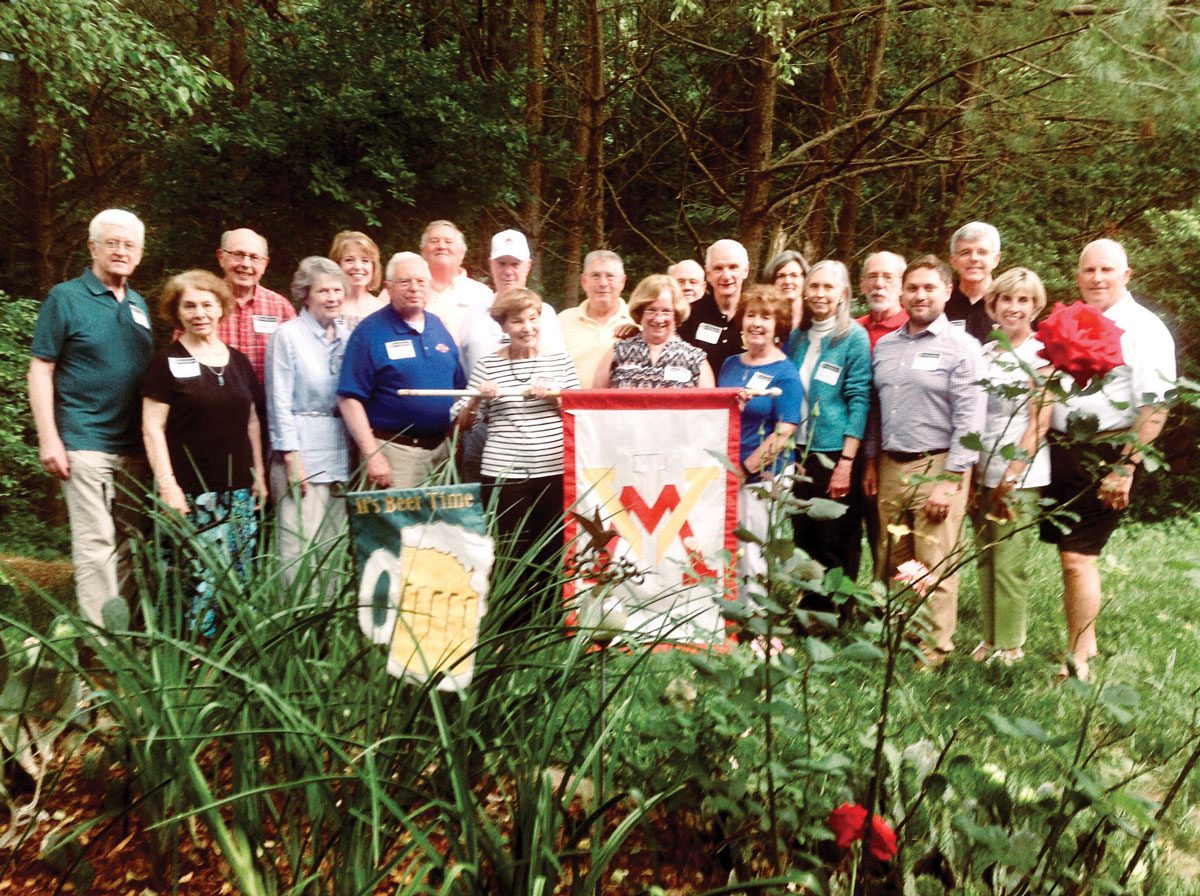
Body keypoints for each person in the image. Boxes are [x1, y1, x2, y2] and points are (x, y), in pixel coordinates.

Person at [1039, 239, 1175, 681]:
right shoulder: (1071, 319)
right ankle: (1087, 642)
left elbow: (1155, 406)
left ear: (1126, 275)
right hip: (1057, 449)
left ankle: (1077, 658)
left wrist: (1125, 466)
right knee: (1067, 552)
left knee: (1079, 556)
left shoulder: (1144, 328)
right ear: (1078, 276)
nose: (1097, 278)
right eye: (1089, 270)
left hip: (1106, 453)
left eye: (1107, 270)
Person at [29, 209, 153, 631]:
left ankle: (126, 639)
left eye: (129, 245)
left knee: (129, 546)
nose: (121, 252)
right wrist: (50, 439)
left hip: (133, 448)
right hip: (83, 441)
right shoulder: (65, 298)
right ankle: (101, 648)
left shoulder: (138, 304)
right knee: (95, 543)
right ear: (93, 247)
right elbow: (41, 369)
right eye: (112, 243)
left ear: (139, 253)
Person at [867, 255, 986, 667]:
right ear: (902, 292)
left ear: (947, 292)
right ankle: (900, 635)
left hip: (938, 465)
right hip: (891, 465)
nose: (920, 295)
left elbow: (971, 422)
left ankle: (934, 649)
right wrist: (870, 461)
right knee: (894, 557)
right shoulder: (885, 346)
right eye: (913, 287)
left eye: (929, 287)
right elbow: (876, 411)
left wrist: (950, 480)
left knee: (934, 561)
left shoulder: (962, 348)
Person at [141, 270, 267, 635]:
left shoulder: (239, 361)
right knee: (197, 575)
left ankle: (232, 651)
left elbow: (252, 422)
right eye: (190, 305)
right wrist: (167, 486)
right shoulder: (165, 362)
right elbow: (152, 427)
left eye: (207, 304)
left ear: (221, 308)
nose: (200, 313)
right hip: (192, 492)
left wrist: (258, 472)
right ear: (176, 312)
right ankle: (192, 655)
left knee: (238, 572)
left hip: (239, 490)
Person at [452, 288, 581, 624]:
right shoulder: (488, 365)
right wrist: (477, 399)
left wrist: (555, 397)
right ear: (504, 326)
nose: (527, 327)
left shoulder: (560, 360)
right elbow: (463, 424)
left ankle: (551, 623)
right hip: (503, 473)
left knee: (553, 548)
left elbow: (581, 414)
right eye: (517, 321)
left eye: (533, 318)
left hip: (553, 470)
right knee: (510, 549)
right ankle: (512, 627)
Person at [969, 267, 1052, 666]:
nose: (1014, 307)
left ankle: (1011, 642)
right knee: (984, 555)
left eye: (1023, 300)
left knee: (1009, 561)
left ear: (1036, 306)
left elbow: (1040, 422)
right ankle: (989, 637)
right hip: (982, 468)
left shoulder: (1042, 355)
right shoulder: (984, 353)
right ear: (993, 305)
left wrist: (1013, 473)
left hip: (1021, 473)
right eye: (1006, 299)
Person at [337, 252, 466, 489]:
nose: (414, 288)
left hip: (440, 453)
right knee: (394, 527)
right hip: (393, 454)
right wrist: (372, 455)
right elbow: (349, 398)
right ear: (388, 287)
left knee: (435, 526)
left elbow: (459, 389)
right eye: (405, 281)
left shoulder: (438, 327)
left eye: (421, 281)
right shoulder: (369, 332)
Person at [785, 260, 873, 592]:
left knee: (836, 535)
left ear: (843, 294)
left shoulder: (854, 337)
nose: (820, 294)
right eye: (815, 286)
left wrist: (846, 463)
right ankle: (808, 607)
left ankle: (837, 609)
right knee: (804, 534)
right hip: (799, 452)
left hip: (835, 451)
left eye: (828, 287)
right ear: (805, 291)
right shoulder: (797, 337)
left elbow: (859, 398)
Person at [266, 257, 352, 592]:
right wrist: (291, 457)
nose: (332, 297)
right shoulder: (287, 335)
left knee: (333, 544)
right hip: (301, 451)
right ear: (305, 295)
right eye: (323, 291)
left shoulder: (348, 335)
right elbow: (279, 402)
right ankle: (293, 627)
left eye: (336, 289)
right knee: (297, 545)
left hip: (340, 451)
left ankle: (326, 631)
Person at [456, 229, 567, 482]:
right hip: (483, 425)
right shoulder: (473, 313)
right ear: (491, 265)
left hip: (536, 433)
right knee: (485, 506)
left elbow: (560, 373)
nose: (508, 271)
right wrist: (475, 401)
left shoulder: (546, 314)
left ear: (528, 266)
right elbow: (464, 368)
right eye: (502, 263)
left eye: (515, 264)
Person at [717, 285, 801, 598]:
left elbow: (785, 430)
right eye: (751, 315)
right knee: (726, 543)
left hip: (762, 474)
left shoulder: (785, 372)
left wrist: (746, 469)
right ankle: (727, 610)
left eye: (766, 317)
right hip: (727, 471)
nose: (757, 323)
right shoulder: (730, 365)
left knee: (752, 547)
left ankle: (754, 620)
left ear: (777, 325)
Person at [594, 275, 714, 389]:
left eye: (666, 311)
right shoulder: (618, 352)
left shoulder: (695, 359)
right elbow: (594, 401)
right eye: (651, 310)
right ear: (640, 312)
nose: (658, 319)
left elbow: (711, 408)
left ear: (676, 314)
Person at [214, 228, 296, 384]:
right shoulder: (202, 304)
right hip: (214, 403)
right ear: (221, 257)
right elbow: (182, 355)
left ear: (265, 264)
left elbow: (296, 362)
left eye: (254, 258)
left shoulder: (281, 308)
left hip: (266, 404)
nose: (245, 264)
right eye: (238, 255)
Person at [559, 250, 635, 387]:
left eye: (610, 276)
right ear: (584, 281)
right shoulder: (563, 320)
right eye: (596, 276)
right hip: (572, 406)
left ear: (622, 282)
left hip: (621, 406)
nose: (603, 283)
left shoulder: (637, 319)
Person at [679, 239, 749, 374]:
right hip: (699, 393)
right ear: (708, 274)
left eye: (733, 267)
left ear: (745, 270)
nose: (726, 276)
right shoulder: (688, 316)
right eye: (718, 268)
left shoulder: (756, 316)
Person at [421, 219, 493, 343]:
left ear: (462, 254)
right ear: (423, 252)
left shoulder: (481, 294)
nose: (441, 246)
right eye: (434, 241)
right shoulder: (408, 290)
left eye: (449, 242)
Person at [945, 221, 1001, 343]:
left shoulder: (1011, 301)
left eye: (982, 252)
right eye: (965, 252)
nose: (974, 258)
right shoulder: (941, 301)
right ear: (953, 261)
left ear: (996, 260)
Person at [328, 230, 387, 328]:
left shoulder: (384, 310)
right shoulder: (328, 306)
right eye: (349, 260)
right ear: (337, 265)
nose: (358, 267)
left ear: (373, 267)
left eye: (365, 260)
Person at [856, 251, 909, 351]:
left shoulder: (912, 328)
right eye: (872, 276)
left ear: (902, 286)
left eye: (888, 277)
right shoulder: (853, 329)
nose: (879, 284)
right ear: (862, 285)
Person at [762, 249, 809, 332]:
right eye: (781, 276)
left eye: (794, 275)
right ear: (772, 280)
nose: (787, 281)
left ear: (805, 279)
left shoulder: (813, 317)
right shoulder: (763, 318)